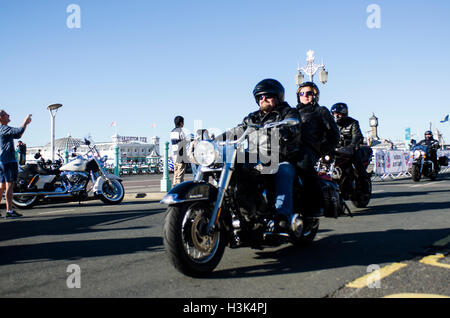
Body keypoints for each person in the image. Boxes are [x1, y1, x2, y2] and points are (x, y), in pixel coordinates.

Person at [220, 78, 302, 231]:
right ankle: (242, 212)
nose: (263, 99)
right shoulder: (252, 117)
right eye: (260, 97)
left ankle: (282, 217)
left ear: (278, 97)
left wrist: (284, 130)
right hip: (256, 158)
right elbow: (237, 131)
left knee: (283, 171)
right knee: (234, 167)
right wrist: (213, 140)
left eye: (267, 95)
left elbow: (294, 126)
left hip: (281, 157)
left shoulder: (288, 112)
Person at [295, 82, 340, 217]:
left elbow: (334, 134)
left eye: (309, 93)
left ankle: (314, 206)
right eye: (302, 93)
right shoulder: (293, 112)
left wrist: (321, 149)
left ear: (315, 96)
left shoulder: (321, 111)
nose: (305, 96)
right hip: (293, 148)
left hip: (310, 149)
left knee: (303, 165)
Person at [0, 110, 32, 218]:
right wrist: (25, 121)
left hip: (1, 161)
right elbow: (18, 130)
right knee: (10, 185)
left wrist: (25, 125)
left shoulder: (3, 129)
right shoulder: (4, 128)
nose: (9, 115)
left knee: (1, 186)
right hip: (8, 160)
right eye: (6, 114)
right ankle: (9, 211)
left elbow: (18, 135)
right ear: (1, 117)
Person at [330, 102, 369, 181]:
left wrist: (351, 146)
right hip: (337, 150)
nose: (336, 116)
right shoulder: (331, 124)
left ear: (344, 114)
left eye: (338, 114)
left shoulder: (353, 123)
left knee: (358, 165)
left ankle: (365, 186)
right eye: (334, 114)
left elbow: (357, 136)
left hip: (351, 150)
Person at [170, 115, 187, 186]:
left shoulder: (172, 131)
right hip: (181, 154)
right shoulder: (181, 131)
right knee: (180, 172)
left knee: (176, 172)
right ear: (181, 123)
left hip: (174, 154)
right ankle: (179, 188)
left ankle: (174, 187)